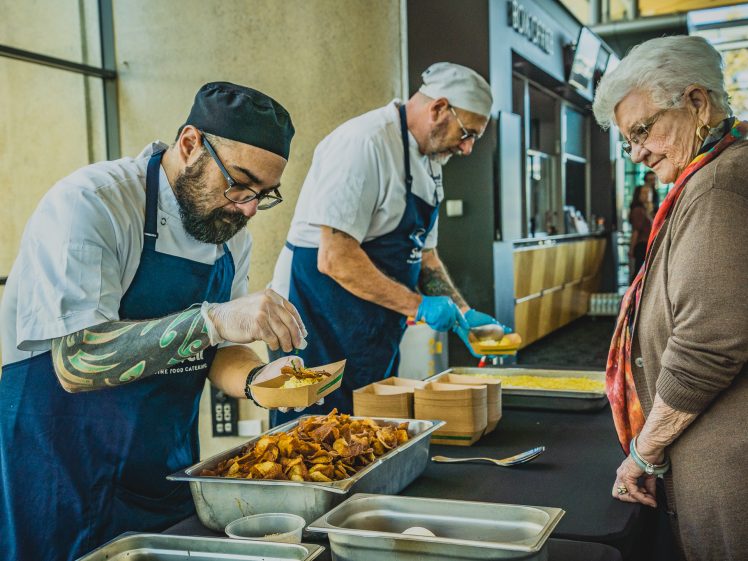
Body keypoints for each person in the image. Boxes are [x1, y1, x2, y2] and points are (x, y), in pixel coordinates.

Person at [0, 82, 309, 561]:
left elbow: (218, 349)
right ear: (189, 145)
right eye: (239, 182)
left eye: (264, 195)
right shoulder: (93, 204)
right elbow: (78, 360)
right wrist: (213, 320)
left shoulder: (228, 233)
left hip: (157, 464)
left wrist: (257, 378)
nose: (248, 207)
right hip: (59, 465)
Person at [269, 62, 509, 427]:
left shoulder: (430, 162)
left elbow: (424, 255)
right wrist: (420, 306)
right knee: (312, 440)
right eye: (467, 133)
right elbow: (335, 258)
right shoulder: (364, 143)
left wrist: (462, 313)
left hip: (372, 327)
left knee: (369, 436)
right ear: (438, 108)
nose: (468, 147)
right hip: (316, 321)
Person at [594, 36, 748, 560]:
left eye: (643, 130)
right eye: (627, 141)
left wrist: (646, 451)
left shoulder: (719, 186)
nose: (637, 153)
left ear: (698, 104)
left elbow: (708, 345)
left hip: (730, 470)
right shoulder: (705, 176)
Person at [627, 180, 654, 281]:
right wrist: (631, 249)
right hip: (641, 246)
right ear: (638, 195)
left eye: (648, 192)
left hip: (646, 246)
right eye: (644, 192)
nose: (647, 195)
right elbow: (636, 231)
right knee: (638, 276)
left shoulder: (647, 209)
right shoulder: (638, 210)